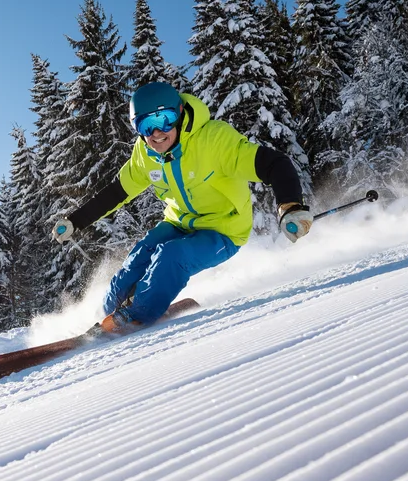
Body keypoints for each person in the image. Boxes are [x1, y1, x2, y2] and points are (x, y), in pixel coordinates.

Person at [52, 81, 312, 333]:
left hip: (223, 229)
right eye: (145, 124)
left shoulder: (213, 140)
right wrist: (76, 221)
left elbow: (275, 164)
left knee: (171, 257)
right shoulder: (145, 154)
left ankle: (136, 318)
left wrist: (289, 205)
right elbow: (116, 192)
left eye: (163, 119)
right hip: (179, 223)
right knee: (136, 261)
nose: (156, 133)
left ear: (178, 114)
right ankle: (107, 317)